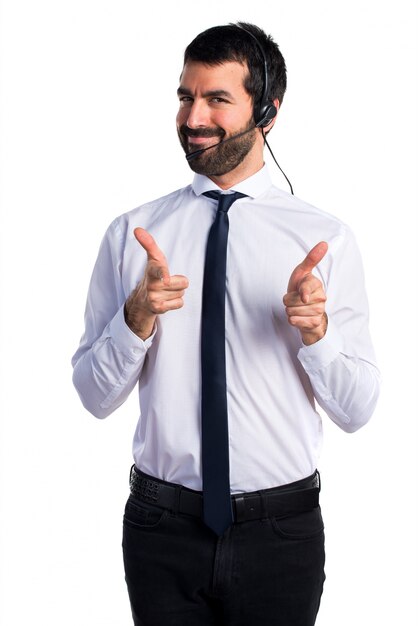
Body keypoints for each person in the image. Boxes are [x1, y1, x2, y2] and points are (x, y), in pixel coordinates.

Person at [72, 22, 380, 626]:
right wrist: (134, 320)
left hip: (281, 533)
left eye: (217, 98)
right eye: (186, 96)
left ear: (267, 110)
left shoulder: (324, 240)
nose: (193, 117)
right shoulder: (132, 234)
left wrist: (318, 335)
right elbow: (92, 396)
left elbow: (358, 409)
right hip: (162, 531)